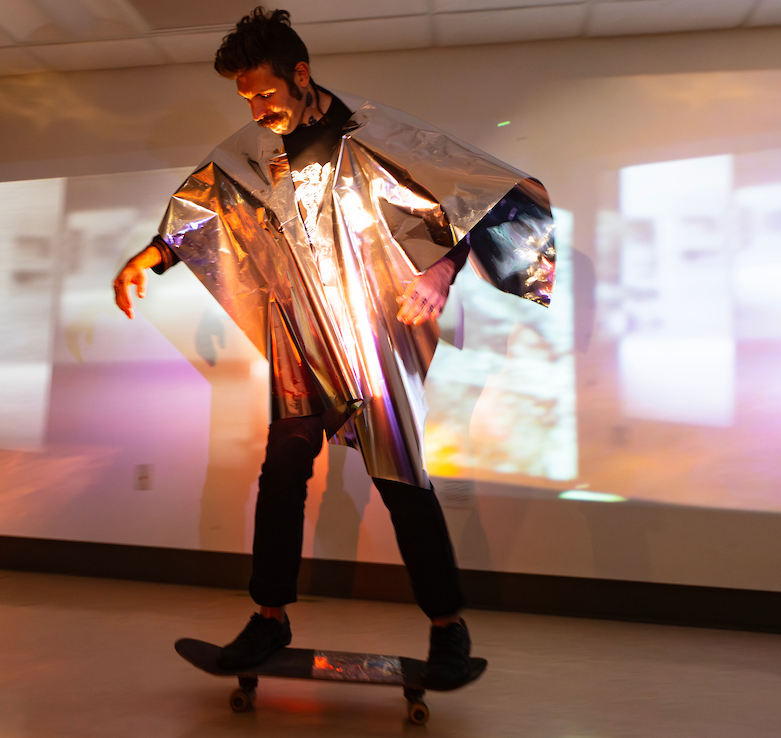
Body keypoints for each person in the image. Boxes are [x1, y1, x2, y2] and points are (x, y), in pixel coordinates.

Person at [112, 7, 555, 691]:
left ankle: (448, 630)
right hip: (299, 339)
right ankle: (269, 617)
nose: (257, 108)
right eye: (245, 98)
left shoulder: (374, 134)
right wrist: (146, 257)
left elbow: (469, 198)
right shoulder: (250, 153)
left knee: (401, 481)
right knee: (282, 476)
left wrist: (439, 274)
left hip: (373, 335)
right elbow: (200, 210)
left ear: (301, 72)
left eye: (265, 92)